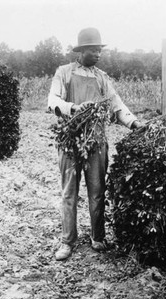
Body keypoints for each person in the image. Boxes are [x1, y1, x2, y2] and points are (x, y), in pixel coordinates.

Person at [48, 27, 144, 261]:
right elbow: (52, 100)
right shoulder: (64, 73)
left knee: (97, 191)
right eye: (94, 50)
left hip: (96, 142)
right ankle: (67, 241)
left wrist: (134, 123)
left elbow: (116, 104)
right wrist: (73, 108)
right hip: (71, 141)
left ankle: (97, 237)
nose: (98, 54)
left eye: (100, 50)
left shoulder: (102, 77)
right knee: (69, 192)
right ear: (81, 51)